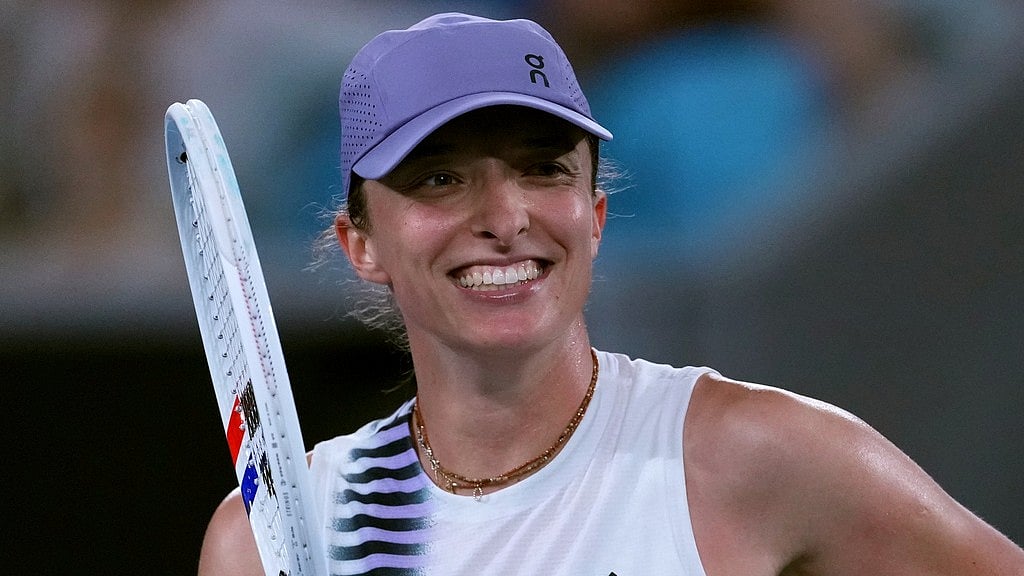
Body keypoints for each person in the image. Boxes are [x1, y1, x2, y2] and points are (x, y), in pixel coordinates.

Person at [197, 13, 1024, 575]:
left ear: (593, 215)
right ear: (361, 244)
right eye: (440, 178)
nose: (506, 217)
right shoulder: (259, 544)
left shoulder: (761, 455)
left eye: (540, 168)